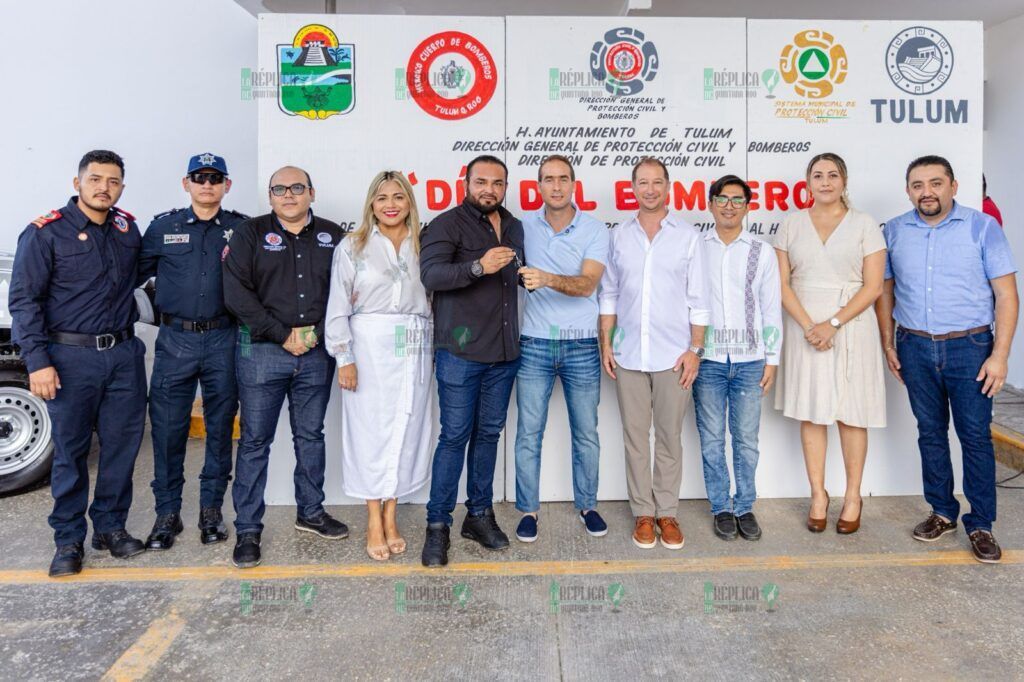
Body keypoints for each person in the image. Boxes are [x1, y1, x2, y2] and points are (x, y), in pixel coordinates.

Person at [10, 150, 148, 577]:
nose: (103, 187)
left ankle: (110, 528)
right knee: (70, 453)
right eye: (95, 179)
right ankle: (68, 539)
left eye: (113, 180)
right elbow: (24, 301)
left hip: (124, 356)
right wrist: (37, 362)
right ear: (78, 183)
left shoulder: (127, 229)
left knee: (121, 449)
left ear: (121, 186)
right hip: (70, 358)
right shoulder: (45, 233)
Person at [877, 155, 1018, 564]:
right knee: (930, 432)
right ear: (908, 191)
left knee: (974, 436)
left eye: (936, 183)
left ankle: (981, 524)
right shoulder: (896, 231)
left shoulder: (982, 227)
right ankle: (942, 512)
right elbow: (886, 291)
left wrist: (1000, 356)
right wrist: (889, 343)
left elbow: (1007, 295)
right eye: (918, 185)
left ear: (953, 186)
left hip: (970, 348)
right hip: (915, 346)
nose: (927, 192)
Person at [223, 166, 347, 569]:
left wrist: (317, 334)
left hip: (315, 353)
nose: (288, 195)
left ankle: (311, 513)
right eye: (280, 189)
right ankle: (247, 529)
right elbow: (236, 294)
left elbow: (347, 292)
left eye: (297, 188)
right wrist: (282, 334)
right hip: (263, 352)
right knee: (256, 441)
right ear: (270, 195)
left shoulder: (333, 234)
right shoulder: (249, 234)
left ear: (312, 192)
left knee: (310, 436)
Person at [137, 153, 248, 551]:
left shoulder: (241, 229)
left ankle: (211, 512)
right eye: (199, 178)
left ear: (226, 185)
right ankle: (167, 514)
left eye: (215, 178)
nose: (207, 184)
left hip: (224, 339)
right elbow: (132, 275)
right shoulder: (162, 227)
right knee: (167, 431)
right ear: (186, 184)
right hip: (175, 341)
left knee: (221, 430)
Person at [418, 154, 525, 567]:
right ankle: (437, 525)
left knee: (488, 436)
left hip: (503, 353)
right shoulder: (446, 224)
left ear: (505, 187)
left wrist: (525, 276)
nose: (490, 190)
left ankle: (478, 515)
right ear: (466, 183)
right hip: (460, 354)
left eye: (497, 183)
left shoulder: (513, 225)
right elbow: (431, 277)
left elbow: (510, 278)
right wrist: (478, 266)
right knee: (454, 437)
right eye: (482, 181)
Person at [598, 157, 709, 551]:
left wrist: (695, 350)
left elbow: (699, 300)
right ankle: (643, 513)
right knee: (633, 437)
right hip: (628, 354)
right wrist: (606, 343)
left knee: (669, 437)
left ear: (668, 187)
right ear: (632, 188)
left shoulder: (688, 236)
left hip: (673, 356)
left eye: (656, 182)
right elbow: (608, 293)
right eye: (642, 183)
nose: (649, 189)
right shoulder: (619, 236)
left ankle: (668, 513)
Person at [774, 152, 887, 535]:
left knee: (851, 413)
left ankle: (853, 496)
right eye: (818, 175)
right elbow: (782, 284)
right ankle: (818, 495)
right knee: (813, 411)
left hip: (852, 327)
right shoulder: (790, 224)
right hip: (805, 328)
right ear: (807, 182)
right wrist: (810, 326)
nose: (825, 182)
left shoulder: (865, 224)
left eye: (832, 175)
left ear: (844, 181)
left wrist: (833, 323)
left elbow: (874, 287)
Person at [324, 171, 433, 561]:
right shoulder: (352, 246)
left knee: (407, 426)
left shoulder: (425, 244)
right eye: (382, 197)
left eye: (399, 197)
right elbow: (338, 305)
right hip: (368, 342)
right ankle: (373, 517)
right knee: (369, 430)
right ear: (371, 203)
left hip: (415, 341)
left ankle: (392, 513)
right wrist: (344, 357)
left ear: (409, 203)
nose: (390, 204)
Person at [513, 155, 609, 543]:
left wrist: (547, 278)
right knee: (527, 433)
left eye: (563, 179)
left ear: (574, 184)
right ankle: (528, 511)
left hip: (582, 344)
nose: (556, 186)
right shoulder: (521, 228)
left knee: (586, 432)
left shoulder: (595, 228)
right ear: (538, 186)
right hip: (534, 342)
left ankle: (588, 505)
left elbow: (588, 285)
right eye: (548, 179)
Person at [693, 175, 782, 542]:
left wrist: (772, 359)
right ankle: (721, 508)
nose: (729, 205)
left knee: (746, 439)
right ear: (711, 204)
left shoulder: (762, 251)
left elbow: (771, 308)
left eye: (737, 199)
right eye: (722, 198)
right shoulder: (696, 247)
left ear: (748, 206)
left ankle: (744, 506)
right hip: (708, 360)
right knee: (712, 438)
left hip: (749, 361)